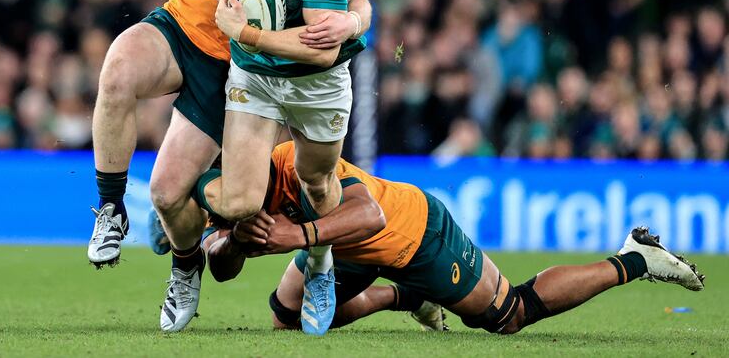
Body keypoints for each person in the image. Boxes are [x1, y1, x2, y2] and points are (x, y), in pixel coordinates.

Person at [87, 0, 370, 335]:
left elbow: (359, 4)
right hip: (188, 34)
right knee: (117, 70)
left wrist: (350, 24)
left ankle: (193, 252)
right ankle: (112, 207)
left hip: (244, 68)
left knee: (170, 192)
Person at [199, 141, 705, 334]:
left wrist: (298, 234)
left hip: (413, 232)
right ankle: (402, 295)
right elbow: (220, 266)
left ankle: (635, 260)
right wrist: (235, 240)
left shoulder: (296, 161)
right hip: (345, 250)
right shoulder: (229, 189)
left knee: (508, 316)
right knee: (287, 318)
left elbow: (370, 215)